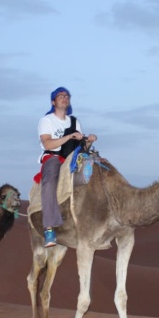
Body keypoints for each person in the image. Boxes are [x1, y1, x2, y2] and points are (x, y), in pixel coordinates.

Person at [37, 87, 97, 247]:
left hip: (74, 157)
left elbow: (80, 144)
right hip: (54, 158)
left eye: (67, 96)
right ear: (53, 101)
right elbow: (48, 143)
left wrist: (89, 140)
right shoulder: (47, 121)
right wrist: (69, 136)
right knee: (49, 182)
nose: (64, 98)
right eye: (60, 96)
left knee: (98, 173)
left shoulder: (74, 121)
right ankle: (49, 228)